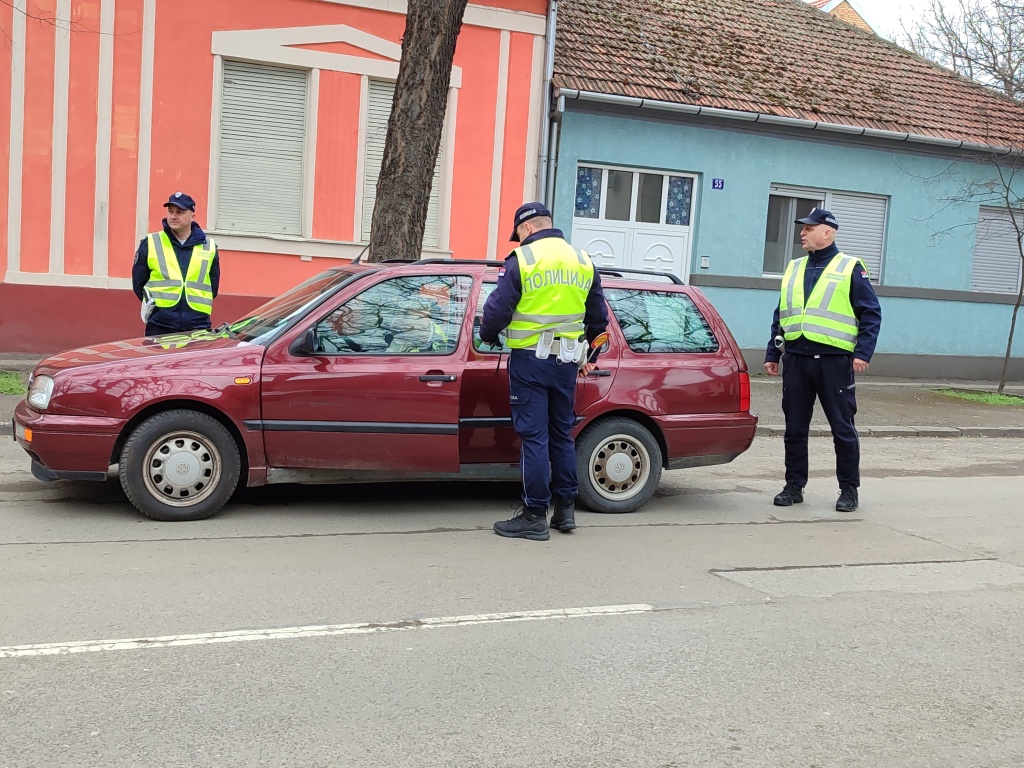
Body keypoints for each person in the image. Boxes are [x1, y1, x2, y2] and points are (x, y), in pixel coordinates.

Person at [480, 202, 609, 541]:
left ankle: (534, 514)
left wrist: (488, 335)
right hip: (567, 363)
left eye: (519, 234)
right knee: (560, 434)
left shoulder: (523, 260)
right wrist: (591, 354)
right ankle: (565, 511)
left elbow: (496, 312)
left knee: (534, 437)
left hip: (530, 363)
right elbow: (598, 319)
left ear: (527, 229)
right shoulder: (583, 261)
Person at [764, 208, 882, 513]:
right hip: (797, 362)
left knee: (842, 429)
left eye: (808, 228)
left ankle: (849, 490)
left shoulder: (850, 267)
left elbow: (870, 312)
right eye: (802, 229)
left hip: (834, 363)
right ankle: (794, 486)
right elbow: (783, 314)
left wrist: (862, 353)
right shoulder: (794, 268)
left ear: (827, 232)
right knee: (794, 429)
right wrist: (773, 352)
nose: (802, 233)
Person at [132, 192, 220, 337]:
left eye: (180, 212)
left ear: (192, 216)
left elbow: (213, 287)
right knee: (158, 360)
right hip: (160, 325)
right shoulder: (151, 242)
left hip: (197, 326)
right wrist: (159, 311)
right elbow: (138, 283)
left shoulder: (209, 247)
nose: (173, 216)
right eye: (171, 211)